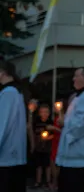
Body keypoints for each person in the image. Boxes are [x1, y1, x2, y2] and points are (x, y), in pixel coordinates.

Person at [0, 60, 27, 192]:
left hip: (6, 156)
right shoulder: (16, 91)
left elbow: (2, 124)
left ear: (2, 73)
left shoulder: (8, 93)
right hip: (15, 155)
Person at [32, 104, 54, 188]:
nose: (44, 114)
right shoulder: (37, 122)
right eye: (42, 112)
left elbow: (54, 135)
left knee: (47, 165)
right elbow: (33, 133)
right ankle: (38, 181)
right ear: (39, 113)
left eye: (46, 112)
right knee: (38, 165)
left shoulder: (50, 123)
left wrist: (48, 138)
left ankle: (48, 181)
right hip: (38, 148)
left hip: (47, 148)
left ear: (49, 113)